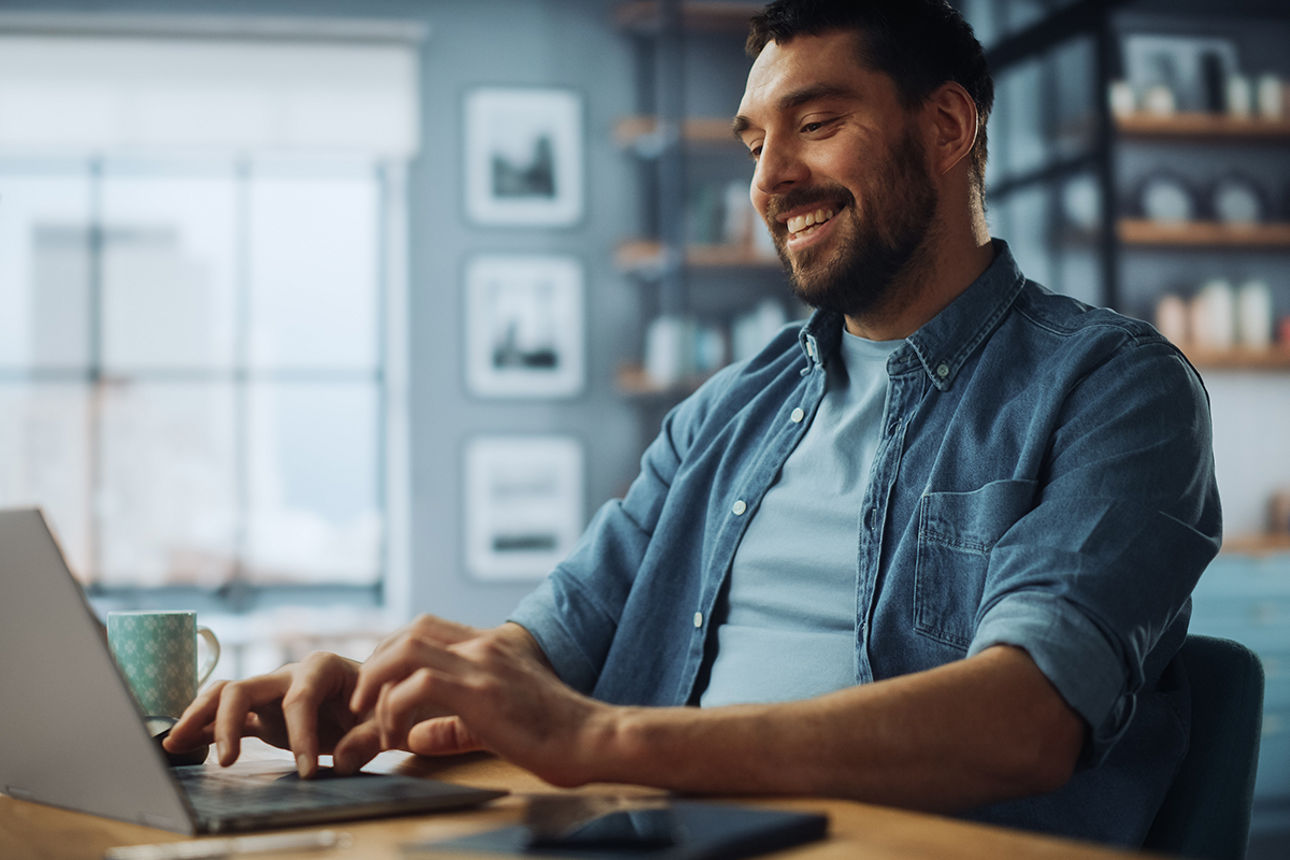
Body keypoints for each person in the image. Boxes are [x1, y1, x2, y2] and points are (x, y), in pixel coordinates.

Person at [166, 0, 1221, 847]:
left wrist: (597, 735)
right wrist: (391, 694)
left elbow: (1023, 720)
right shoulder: (726, 411)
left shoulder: (1117, 388)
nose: (770, 181)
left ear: (947, 127)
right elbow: (549, 646)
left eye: (816, 124)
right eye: (756, 141)